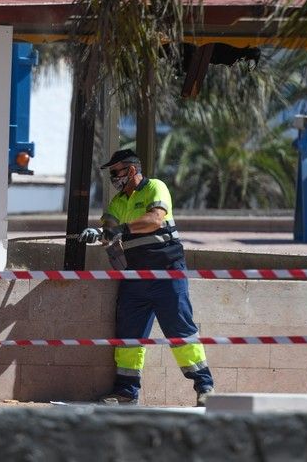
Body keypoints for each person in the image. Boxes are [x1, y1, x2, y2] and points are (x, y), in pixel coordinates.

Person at [78, 148, 214, 406]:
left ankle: (205, 386)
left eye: (115, 172)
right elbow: (109, 228)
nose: (112, 177)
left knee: (180, 331)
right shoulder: (118, 203)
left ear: (131, 170)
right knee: (128, 335)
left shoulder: (156, 188)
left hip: (167, 273)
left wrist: (121, 229)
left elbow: (155, 219)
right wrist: (97, 232)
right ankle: (126, 392)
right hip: (135, 276)